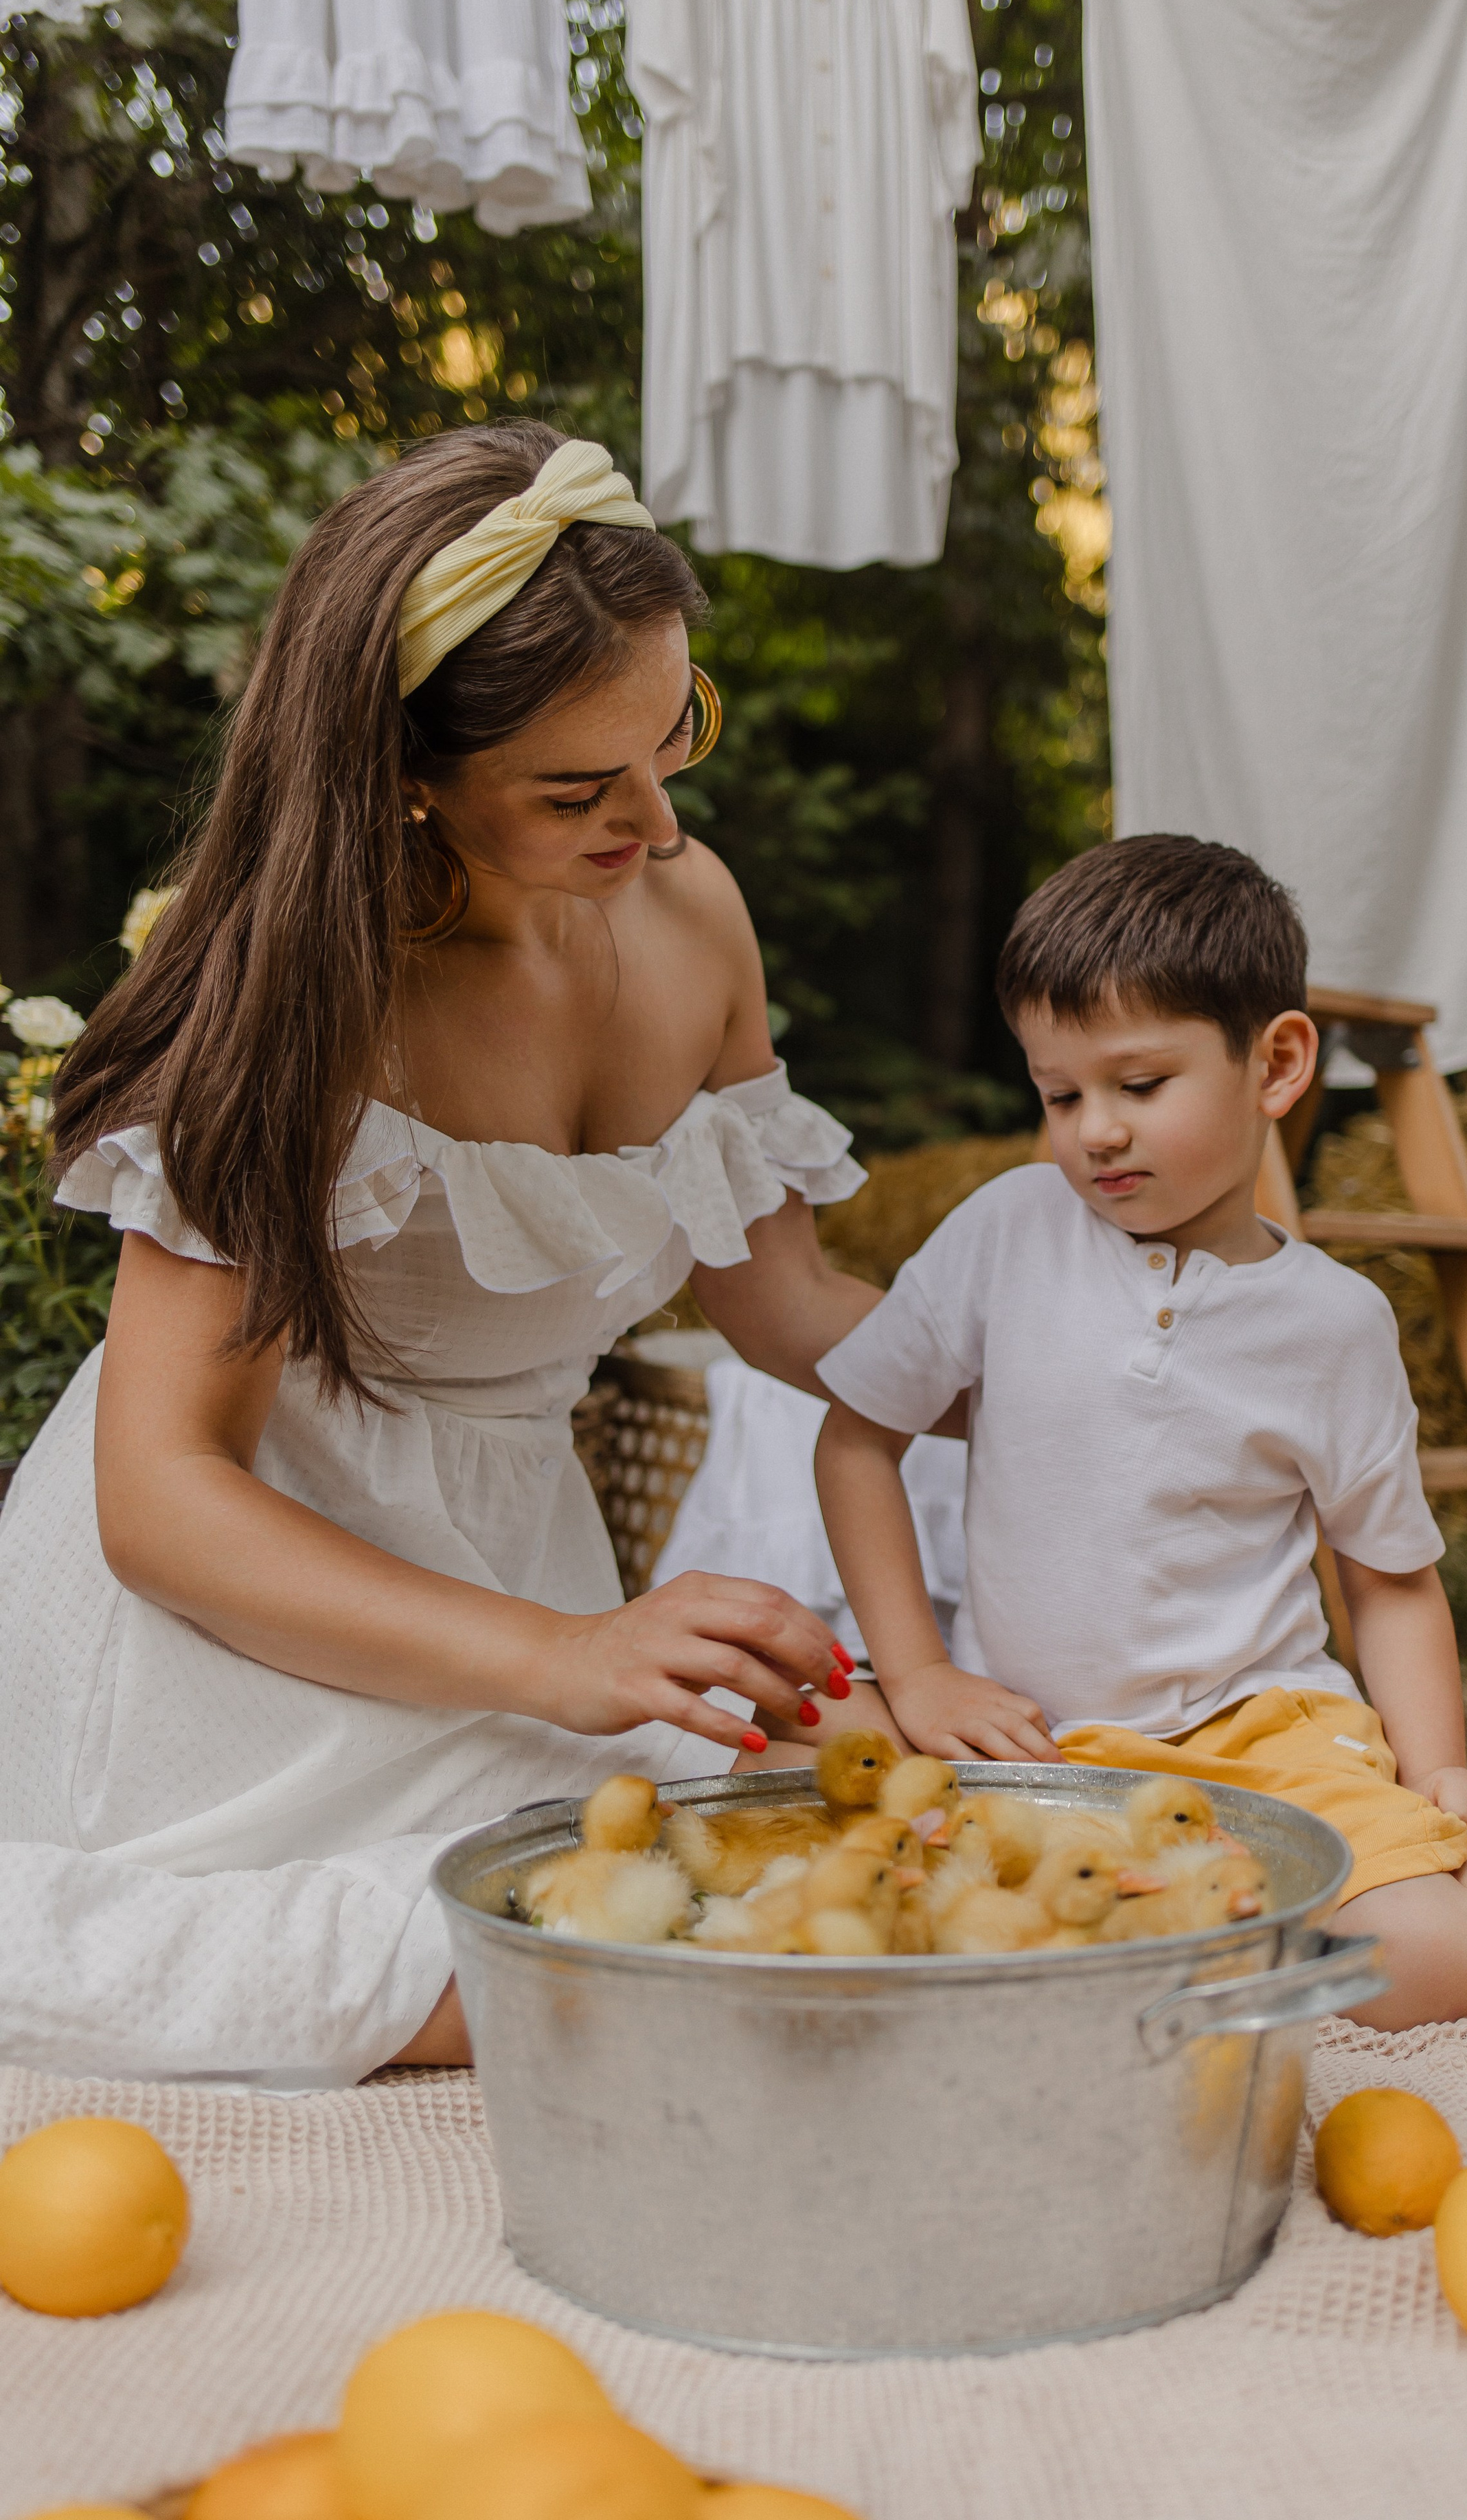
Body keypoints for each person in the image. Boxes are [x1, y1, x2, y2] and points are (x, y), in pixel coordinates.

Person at [0, 424, 901, 2088]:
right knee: (498, 1966)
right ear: (402, 769)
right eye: (576, 789)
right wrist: (569, 1658)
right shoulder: (298, 1008)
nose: (653, 818)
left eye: (673, 733)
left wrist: (1036, 1345)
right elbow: (160, 1500)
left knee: (709, 1911)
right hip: (253, 1616)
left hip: (514, 1584)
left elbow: (780, 1298)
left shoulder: (692, 918)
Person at [812, 835, 1467, 2029]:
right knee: (882, 1879)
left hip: (1266, 1736)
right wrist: (920, 1672)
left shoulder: (1336, 1323)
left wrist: (1436, 1776)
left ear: (1277, 1065)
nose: (1094, 1131)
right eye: (1060, 1093)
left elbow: (1389, 1582)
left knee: (1416, 1970)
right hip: (1041, 1745)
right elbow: (856, 1440)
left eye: (1139, 1087)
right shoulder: (1007, 1228)